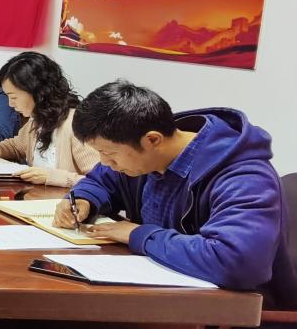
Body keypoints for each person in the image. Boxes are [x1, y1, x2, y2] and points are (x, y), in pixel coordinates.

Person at [55, 80, 296, 309]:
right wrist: (84, 199)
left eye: (109, 154)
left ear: (152, 140)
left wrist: (140, 235)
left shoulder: (244, 177)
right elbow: (100, 181)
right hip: (162, 289)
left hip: (234, 310)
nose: (105, 162)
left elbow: (237, 262)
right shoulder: (140, 155)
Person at [0, 52, 99, 187]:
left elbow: (101, 184)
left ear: (38, 92)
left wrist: (52, 177)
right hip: (38, 196)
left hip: (64, 199)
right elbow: (16, 146)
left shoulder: (76, 126)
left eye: (14, 97)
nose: (10, 104)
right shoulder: (36, 120)